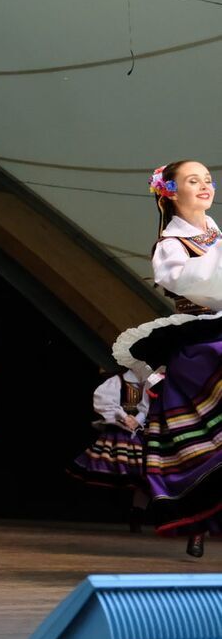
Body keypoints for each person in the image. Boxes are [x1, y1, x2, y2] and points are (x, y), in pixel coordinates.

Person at [112, 160, 222, 557]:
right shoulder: (171, 244)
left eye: (208, 180)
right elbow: (191, 283)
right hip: (201, 339)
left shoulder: (214, 234)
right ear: (171, 192)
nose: (206, 186)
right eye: (194, 181)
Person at [66, 367, 158, 531]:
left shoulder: (152, 381)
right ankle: (88, 510)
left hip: (144, 432)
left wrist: (138, 419)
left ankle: (136, 516)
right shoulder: (118, 380)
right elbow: (105, 401)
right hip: (120, 431)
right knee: (104, 469)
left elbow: (147, 406)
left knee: (146, 477)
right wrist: (124, 417)